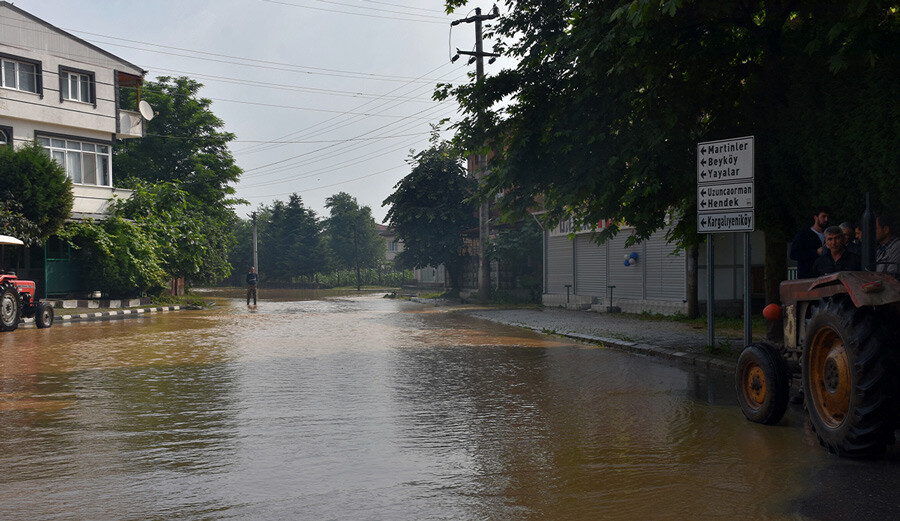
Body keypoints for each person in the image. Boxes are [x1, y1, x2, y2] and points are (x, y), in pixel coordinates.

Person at [790, 207, 829, 279]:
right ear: (816, 217)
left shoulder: (829, 235)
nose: (826, 219)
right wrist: (816, 252)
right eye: (823, 216)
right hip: (808, 277)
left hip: (825, 276)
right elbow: (794, 254)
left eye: (827, 217)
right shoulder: (803, 234)